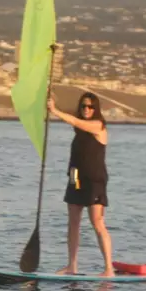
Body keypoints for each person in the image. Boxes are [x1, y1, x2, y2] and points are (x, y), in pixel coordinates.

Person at [47, 91, 113, 277]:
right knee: (73, 223)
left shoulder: (98, 126)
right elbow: (75, 122)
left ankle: (109, 268)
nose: (86, 109)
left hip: (94, 181)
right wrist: (53, 103)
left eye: (90, 106)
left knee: (97, 222)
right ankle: (72, 266)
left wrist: (55, 111)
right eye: (83, 106)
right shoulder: (79, 132)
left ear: (96, 109)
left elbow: (76, 121)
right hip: (75, 178)